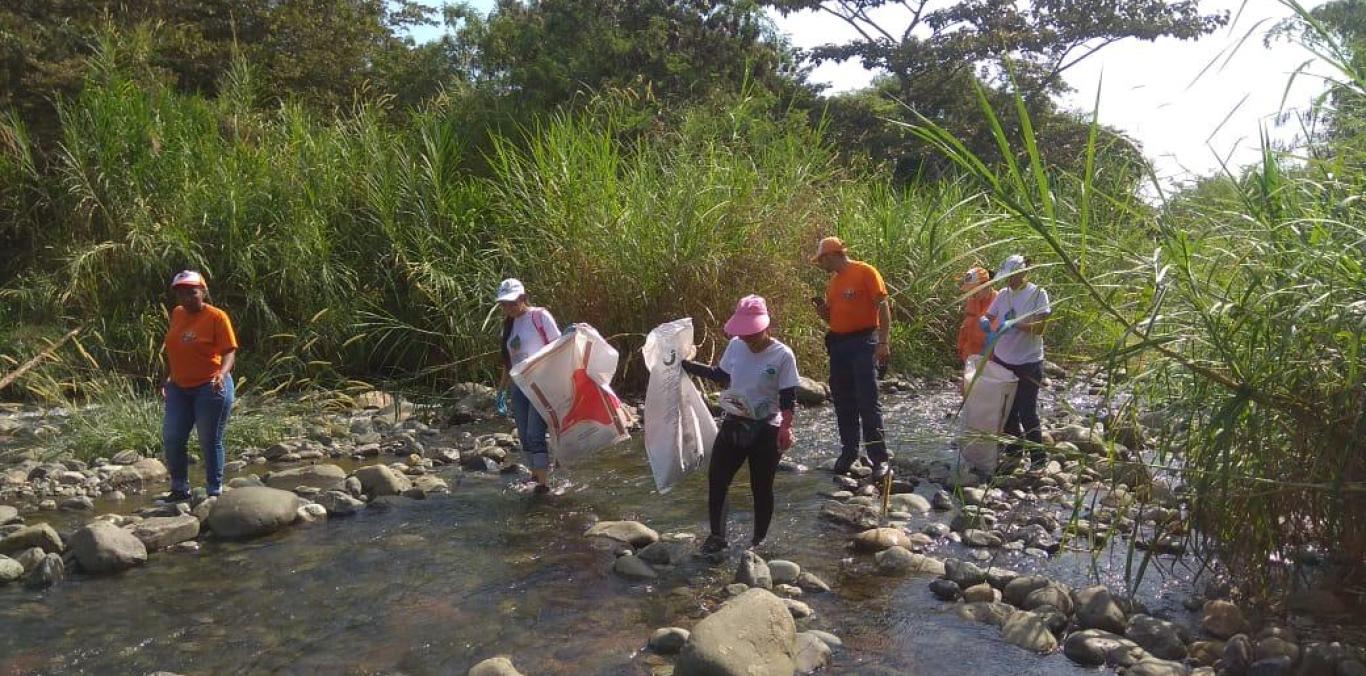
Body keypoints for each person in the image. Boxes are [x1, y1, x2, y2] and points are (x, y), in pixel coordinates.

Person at [682, 295, 799, 554]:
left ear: (766, 327)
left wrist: (786, 428)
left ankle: (758, 542)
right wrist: (686, 366)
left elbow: (789, 397)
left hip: (766, 428)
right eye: (743, 333)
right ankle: (717, 537)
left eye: (752, 333)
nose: (747, 338)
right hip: (734, 422)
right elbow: (721, 375)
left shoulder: (782, 355)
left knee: (761, 486)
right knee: (717, 479)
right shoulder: (736, 345)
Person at [811, 236, 891, 478]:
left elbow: (883, 306)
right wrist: (824, 313)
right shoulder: (833, 283)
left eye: (821, 260)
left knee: (868, 400)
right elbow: (834, 320)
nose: (820, 265)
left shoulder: (865, 272)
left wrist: (884, 342)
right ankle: (849, 452)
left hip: (865, 340)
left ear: (832, 255)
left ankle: (879, 459)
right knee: (843, 400)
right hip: (839, 344)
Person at [161, 270, 238, 501]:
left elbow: (229, 352)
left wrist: (222, 375)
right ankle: (179, 489)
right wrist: (169, 376)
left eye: (192, 292)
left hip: (210, 387)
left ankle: (214, 490)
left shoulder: (217, 317)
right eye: (181, 293)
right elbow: (177, 349)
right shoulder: (177, 314)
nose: (186, 298)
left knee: (209, 439)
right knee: (173, 437)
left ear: (203, 291)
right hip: (179, 388)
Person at [983, 255, 1051, 467]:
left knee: (1026, 411)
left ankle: (1038, 458)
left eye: (1013, 276)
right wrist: (984, 323)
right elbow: (988, 315)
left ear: (1024, 273)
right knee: (1007, 409)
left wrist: (1015, 324)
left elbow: (1040, 329)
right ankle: (1014, 452)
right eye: (1007, 277)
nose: (1009, 281)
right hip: (1004, 359)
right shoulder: (1003, 294)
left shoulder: (1038, 294)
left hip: (1029, 361)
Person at [497, 278, 561, 494]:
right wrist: (501, 390)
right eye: (504, 304)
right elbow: (509, 361)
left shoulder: (539, 316)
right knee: (524, 435)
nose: (508, 308)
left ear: (523, 298)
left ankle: (543, 484)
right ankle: (536, 475)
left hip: (540, 383)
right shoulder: (508, 325)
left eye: (512, 302)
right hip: (518, 386)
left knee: (535, 433)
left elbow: (558, 347)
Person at [956, 266, 998, 363]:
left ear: (987, 285)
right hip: (969, 355)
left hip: (989, 359)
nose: (973, 293)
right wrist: (960, 345)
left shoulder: (998, 301)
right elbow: (966, 325)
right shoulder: (972, 300)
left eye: (975, 290)